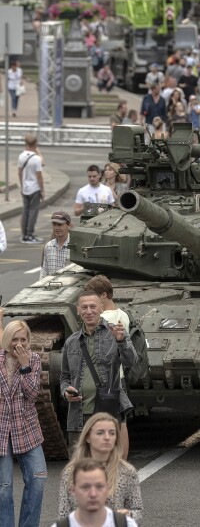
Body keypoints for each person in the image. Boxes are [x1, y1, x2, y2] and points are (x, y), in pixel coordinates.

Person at [59, 291, 138, 454]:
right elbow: (64, 377)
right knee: (80, 468)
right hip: (78, 415)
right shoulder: (71, 342)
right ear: (78, 310)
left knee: (108, 466)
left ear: (101, 308)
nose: (89, 311)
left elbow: (132, 361)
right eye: (84, 307)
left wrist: (122, 341)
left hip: (107, 412)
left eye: (93, 307)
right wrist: (65, 391)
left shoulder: (114, 333)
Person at [0, 320, 46, 527]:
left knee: (37, 480)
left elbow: (32, 393)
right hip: (1, 430)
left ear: (28, 341)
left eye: (23, 339)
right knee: (4, 486)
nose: (18, 344)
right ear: (6, 340)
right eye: (14, 339)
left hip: (26, 429)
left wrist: (25, 366)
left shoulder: (34, 359)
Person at [82, 276, 132, 460]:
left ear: (104, 295)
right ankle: (122, 462)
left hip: (103, 380)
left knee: (101, 423)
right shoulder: (123, 315)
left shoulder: (104, 319)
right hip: (118, 378)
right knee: (121, 422)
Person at [58, 413, 143, 522]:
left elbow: (138, 510)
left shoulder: (127, 471)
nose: (107, 437)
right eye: (100, 433)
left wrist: (129, 514)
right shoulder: (71, 472)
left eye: (112, 433)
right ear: (88, 437)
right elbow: (63, 514)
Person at [52, 459, 138, 527]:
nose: (93, 494)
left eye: (99, 486)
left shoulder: (126, 524)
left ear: (108, 489)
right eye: (85, 487)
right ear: (73, 491)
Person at [18, 134, 44, 244]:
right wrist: (42, 190)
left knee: (25, 211)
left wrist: (22, 185)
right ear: (35, 144)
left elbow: (19, 172)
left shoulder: (21, 156)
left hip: (25, 188)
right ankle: (30, 234)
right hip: (34, 188)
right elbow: (39, 176)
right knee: (33, 211)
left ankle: (24, 234)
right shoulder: (37, 159)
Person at [41, 211, 72, 278]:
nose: (56, 228)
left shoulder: (75, 246)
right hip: (50, 287)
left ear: (68, 225)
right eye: (54, 224)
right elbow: (44, 272)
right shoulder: (48, 246)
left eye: (60, 225)